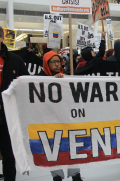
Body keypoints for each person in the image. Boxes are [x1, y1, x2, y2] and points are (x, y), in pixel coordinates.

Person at [40, 51, 83, 181]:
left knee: (72, 146)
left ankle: (75, 174)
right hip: (49, 120)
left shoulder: (66, 78)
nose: (57, 64)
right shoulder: (38, 79)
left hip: (66, 118)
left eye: (59, 61)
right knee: (52, 149)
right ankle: (57, 176)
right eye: (53, 62)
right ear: (46, 64)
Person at [0, 26, 30, 181]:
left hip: (7, 114)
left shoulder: (15, 60)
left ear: (1, 39)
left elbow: (28, 82)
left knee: (8, 152)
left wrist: (21, 83)